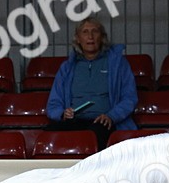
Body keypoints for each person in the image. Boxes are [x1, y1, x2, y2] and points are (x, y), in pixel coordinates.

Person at [45, 17, 139, 150]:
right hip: (75, 121)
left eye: (95, 31)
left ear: (102, 37)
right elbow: (54, 103)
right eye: (85, 32)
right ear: (78, 39)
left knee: (94, 135)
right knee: (49, 135)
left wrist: (111, 116)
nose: (90, 36)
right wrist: (62, 114)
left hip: (105, 122)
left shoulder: (118, 64)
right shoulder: (67, 67)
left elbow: (129, 98)